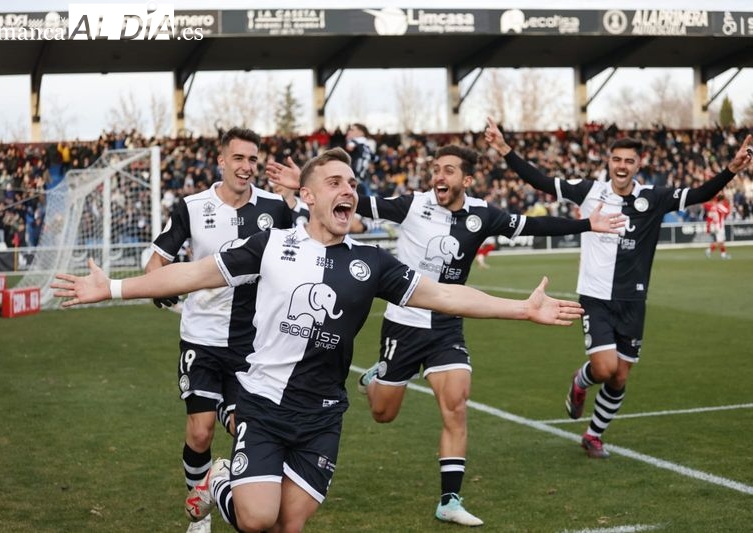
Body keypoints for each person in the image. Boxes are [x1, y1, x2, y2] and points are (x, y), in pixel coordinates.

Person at [52, 148, 585, 533]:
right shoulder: (270, 244)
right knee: (257, 517)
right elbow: (191, 275)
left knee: (290, 523)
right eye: (333, 182)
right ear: (306, 196)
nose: (347, 189)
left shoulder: (372, 263)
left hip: (323, 414)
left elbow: (444, 296)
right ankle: (219, 480)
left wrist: (521, 308)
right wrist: (114, 287)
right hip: (262, 404)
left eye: (351, 182)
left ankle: (235, 481)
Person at [353, 144, 625, 526]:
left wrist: (586, 224)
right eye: (436, 169)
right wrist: (306, 184)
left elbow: (532, 225)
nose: (439, 177)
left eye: (448, 170)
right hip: (405, 323)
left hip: (449, 322)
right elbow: (359, 203)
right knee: (384, 413)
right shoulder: (412, 205)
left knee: (457, 405)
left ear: (466, 179)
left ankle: (449, 500)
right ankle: (376, 377)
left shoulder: (483, 214)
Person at [485, 117, 753, 459]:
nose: (622, 166)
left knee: (620, 377)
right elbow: (541, 180)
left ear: (638, 164)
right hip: (595, 297)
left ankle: (593, 434)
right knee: (604, 368)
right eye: (617, 160)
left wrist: (730, 168)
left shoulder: (654, 198)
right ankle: (581, 381)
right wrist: (504, 148)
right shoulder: (589, 191)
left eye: (629, 161)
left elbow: (702, 193)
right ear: (608, 162)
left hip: (633, 300)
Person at [145, 127, 294, 533]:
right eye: (239, 159)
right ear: (221, 161)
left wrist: (296, 194)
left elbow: (309, 239)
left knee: (244, 426)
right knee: (200, 432)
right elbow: (157, 260)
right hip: (202, 336)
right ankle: (201, 512)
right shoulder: (192, 207)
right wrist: (160, 285)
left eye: (253, 160)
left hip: (251, 341)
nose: (246, 167)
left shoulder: (274, 207)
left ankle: (225, 481)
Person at [345, 123, 375, 196]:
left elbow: (349, 148)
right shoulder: (368, 143)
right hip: (363, 177)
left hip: (356, 177)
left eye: (352, 130)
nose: (350, 131)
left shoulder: (355, 141)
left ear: (361, 132)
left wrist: (348, 139)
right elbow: (374, 158)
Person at [703, 193, 732, 259]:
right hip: (720, 226)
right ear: (721, 200)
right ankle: (709, 250)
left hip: (716, 225)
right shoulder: (719, 206)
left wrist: (709, 227)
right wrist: (729, 205)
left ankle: (723, 255)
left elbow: (710, 216)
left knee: (721, 241)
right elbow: (727, 211)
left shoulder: (713, 207)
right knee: (720, 241)